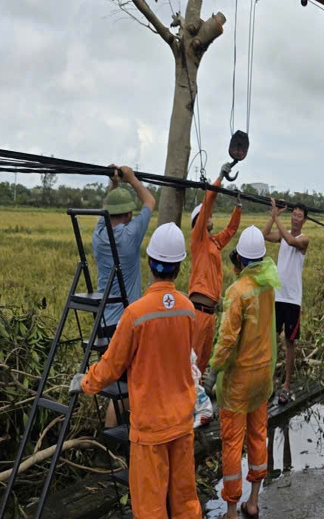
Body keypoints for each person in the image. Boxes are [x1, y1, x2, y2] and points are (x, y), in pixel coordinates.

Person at [70, 223, 200, 519]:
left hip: (150, 428)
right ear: (178, 267)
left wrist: (85, 382)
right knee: (185, 501)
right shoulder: (188, 310)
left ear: (150, 264)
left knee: (150, 507)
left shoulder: (136, 314)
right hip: (181, 422)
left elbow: (112, 366)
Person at [202, 226, 281, 519]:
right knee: (259, 434)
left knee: (233, 443)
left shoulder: (238, 292)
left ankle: (232, 511)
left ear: (241, 261)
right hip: (263, 378)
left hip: (238, 382)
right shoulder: (268, 284)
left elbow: (227, 340)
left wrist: (213, 370)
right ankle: (254, 502)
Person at [92, 165, 155, 426]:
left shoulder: (98, 234)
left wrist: (115, 184)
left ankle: (111, 443)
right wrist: (132, 179)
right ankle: (118, 444)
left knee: (115, 388)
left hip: (102, 325)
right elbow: (150, 201)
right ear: (129, 214)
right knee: (124, 390)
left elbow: (106, 210)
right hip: (125, 326)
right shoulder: (130, 236)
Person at [189, 175, 242, 374]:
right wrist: (219, 179)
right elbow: (207, 202)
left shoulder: (214, 242)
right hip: (198, 313)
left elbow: (231, 230)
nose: (210, 217)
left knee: (202, 363)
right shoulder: (198, 239)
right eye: (207, 216)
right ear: (199, 222)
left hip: (209, 316)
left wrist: (238, 208)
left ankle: (198, 400)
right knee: (191, 363)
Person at [262, 199, 309, 405]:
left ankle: (287, 386)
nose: (296, 218)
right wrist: (273, 218)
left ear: (304, 220)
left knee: (290, 343)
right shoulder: (283, 234)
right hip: (277, 296)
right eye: (294, 214)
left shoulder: (303, 239)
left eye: (299, 216)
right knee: (272, 341)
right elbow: (264, 235)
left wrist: (275, 216)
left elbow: (290, 241)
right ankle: (271, 382)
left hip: (292, 300)